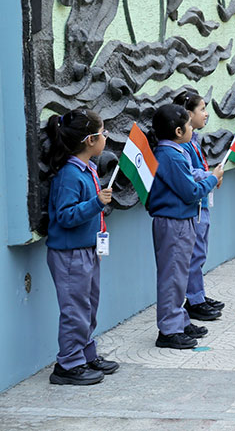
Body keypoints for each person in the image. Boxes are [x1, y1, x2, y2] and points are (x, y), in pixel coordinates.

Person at [44, 109, 119, 385]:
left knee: (88, 307)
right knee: (74, 311)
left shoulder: (88, 169)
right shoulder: (69, 175)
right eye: (103, 133)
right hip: (69, 254)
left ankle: (86, 354)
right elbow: (65, 216)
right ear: (90, 140)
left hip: (87, 249)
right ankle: (68, 364)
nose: (105, 138)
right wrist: (96, 202)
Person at [147, 104, 223, 349]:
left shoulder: (175, 152)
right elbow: (190, 192)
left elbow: (189, 178)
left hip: (181, 220)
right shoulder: (169, 155)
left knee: (179, 276)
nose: (192, 128)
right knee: (172, 276)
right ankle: (169, 330)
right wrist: (212, 179)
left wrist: (207, 177)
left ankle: (179, 320)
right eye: (189, 125)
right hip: (173, 223)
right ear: (178, 131)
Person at [174, 92, 225, 321]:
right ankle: (193, 300)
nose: (206, 114)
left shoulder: (193, 139)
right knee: (194, 255)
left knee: (200, 253)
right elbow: (190, 173)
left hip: (201, 202)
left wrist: (211, 176)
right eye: (202, 109)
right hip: (193, 207)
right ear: (188, 114)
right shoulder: (181, 146)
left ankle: (198, 294)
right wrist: (210, 176)